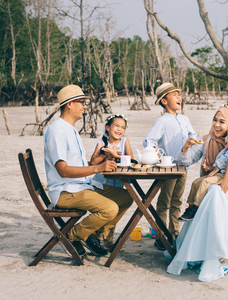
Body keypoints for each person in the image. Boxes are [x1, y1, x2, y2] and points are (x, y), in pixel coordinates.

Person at [165, 105, 228, 282]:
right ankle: (201, 246)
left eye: (223, 122)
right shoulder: (207, 140)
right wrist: (185, 149)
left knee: (214, 192)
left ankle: (218, 252)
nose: (217, 125)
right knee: (208, 189)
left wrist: (225, 156)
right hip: (213, 181)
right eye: (215, 120)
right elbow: (187, 160)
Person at [43, 85, 133, 257]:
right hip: (65, 191)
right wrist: (98, 168)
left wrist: (102, 161)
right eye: (82, 102)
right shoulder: (57, 131)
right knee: (110, 209)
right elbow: (62, 170)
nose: (85, 106)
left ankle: (93, 235)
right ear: (69, 104)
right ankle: (70, 236)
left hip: (81, 185)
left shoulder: (71, 130)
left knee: (126, 197)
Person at [143, 82, 197, 250]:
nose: (179, 97)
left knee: (177, 202)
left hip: (183, 167)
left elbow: (192, 134)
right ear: (164, 101)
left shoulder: (184, 119)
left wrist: (193, 139)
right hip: (168, 168)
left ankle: (174, 233)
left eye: (178, 95)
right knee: (164, 203)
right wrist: (157, 154)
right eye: (174, 95)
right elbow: (149, 141)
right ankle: (160, 235)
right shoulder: (161, 121)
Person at [178, 125, 228, 221]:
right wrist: (209, 169)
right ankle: (190, 206)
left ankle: (196, 207)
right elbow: (220, 165)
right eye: (226, 136)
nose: (225, 138)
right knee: (196, 182)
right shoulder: (227, 150)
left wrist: (225, 180)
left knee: (205, 182)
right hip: (221, 174)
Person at [90, 114, 133, 248]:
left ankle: (106, 240)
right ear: (108, 127)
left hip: (117, 183)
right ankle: (103, 240)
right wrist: (107, 154)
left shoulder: (125, 141)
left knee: (115, 209)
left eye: (123, 127)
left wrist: (117, 156)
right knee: (110, 210)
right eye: (116, 126)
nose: (120, 129)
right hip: (101, 184)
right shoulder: (102, 143)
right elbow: (93, 162)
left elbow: (130, 159)